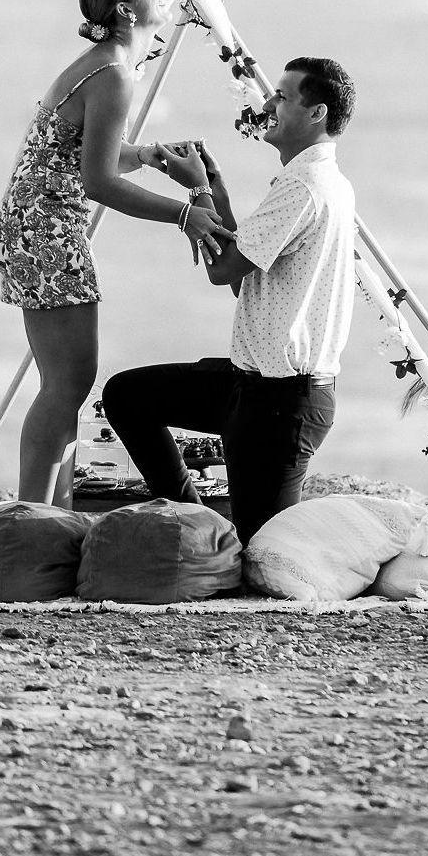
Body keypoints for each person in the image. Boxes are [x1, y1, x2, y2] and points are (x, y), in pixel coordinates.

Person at [0, 0, 234, 506]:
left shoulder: (103, 66)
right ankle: (33, 515)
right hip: (48, 234)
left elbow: (82, 155)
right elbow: (97, 182)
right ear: (126, 10)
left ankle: (53, 511)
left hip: (32, 228)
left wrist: (143, 155)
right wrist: (183, 214)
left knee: (63, 384)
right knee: (68, 383)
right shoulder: (114, 75)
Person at [99, 57, 358, 542]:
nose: (269, 104)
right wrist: (214, 187)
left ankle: (211, 537)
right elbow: (244, 274)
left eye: (282, 96)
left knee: (263, 552)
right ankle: (198, 526)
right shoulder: (315, 181)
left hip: (282, 402)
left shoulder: (304, 187)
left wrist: (196, 188)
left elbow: (222, 271)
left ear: (317, 113)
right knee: (128, 396)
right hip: (251, 386)